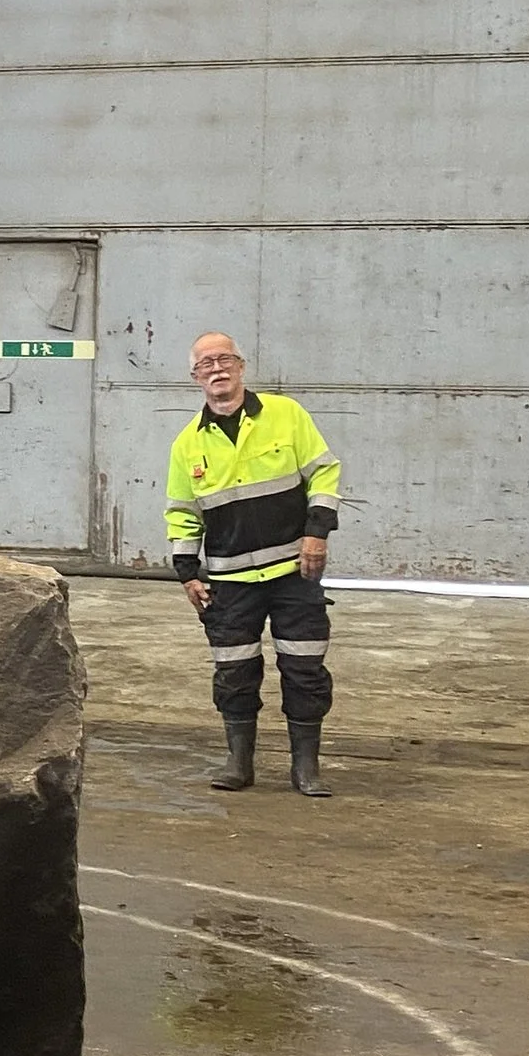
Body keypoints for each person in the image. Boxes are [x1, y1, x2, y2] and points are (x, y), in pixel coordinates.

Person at [165, 334, 343, 798]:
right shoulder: (187, 444)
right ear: (195, 377)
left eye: (225, 359)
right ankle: (238, 762)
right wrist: (187, 572)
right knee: (234, 671)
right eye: (206, 363)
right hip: (230, 582)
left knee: (304, 668)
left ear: (241, 367)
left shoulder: (287, 416)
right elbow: (183, 512)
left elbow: (324, 472)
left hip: (294, 574)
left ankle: (306, 767)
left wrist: (317, 533)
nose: (217, 369)